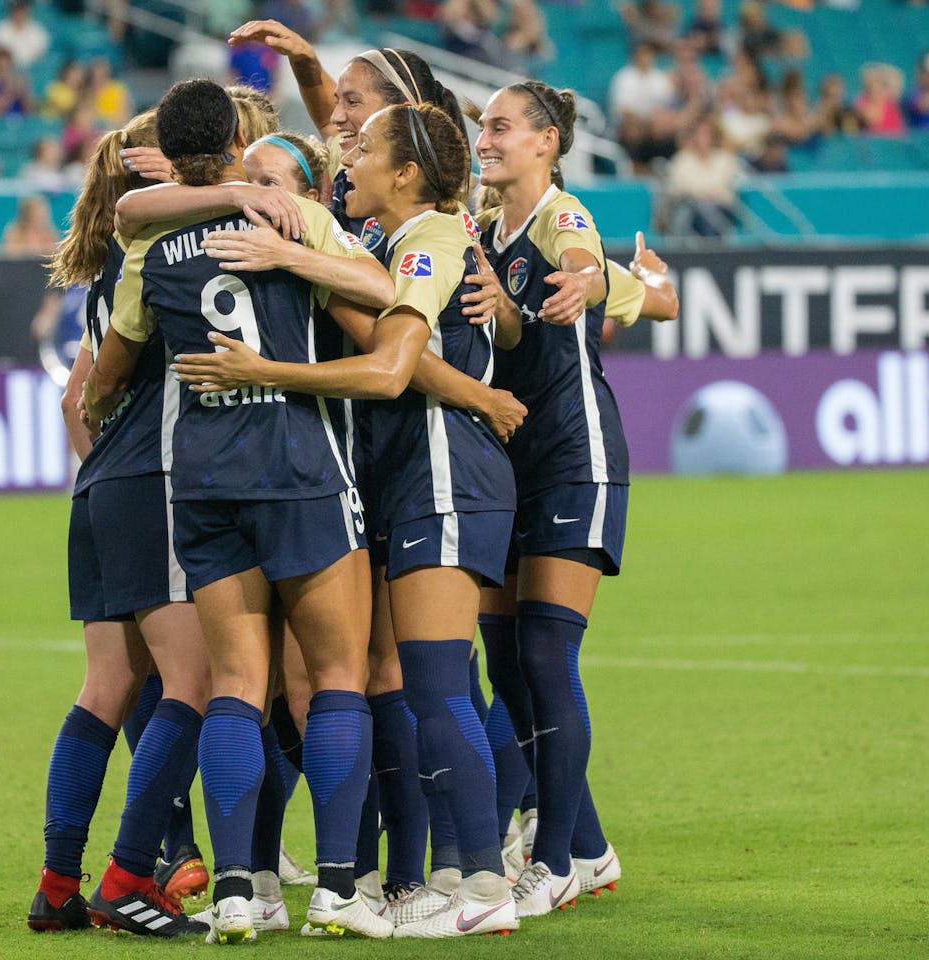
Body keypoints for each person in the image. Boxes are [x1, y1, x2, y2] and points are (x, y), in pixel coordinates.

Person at [174, 99, 526, 940]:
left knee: (438, 684)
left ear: (405, 174)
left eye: (363, 149)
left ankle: (483, 884)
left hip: (446, 471)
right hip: (406, 479)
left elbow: (390, 372)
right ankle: (442, 876)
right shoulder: (386, 242)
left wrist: (269, 370)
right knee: (411, 685)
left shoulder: (435, 238)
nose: (348, 157)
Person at [86, 77, 399, 945]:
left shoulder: (150, 241)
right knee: (337, 677)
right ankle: (337, 890)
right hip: (297, 465)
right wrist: (296, 248)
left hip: (202, 480)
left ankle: (233, 893)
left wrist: (97, 408)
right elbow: (378, 291)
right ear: (233, 135)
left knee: (234, 684)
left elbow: (113, 370)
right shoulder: (286, 216)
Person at [470, 78, 672, 920]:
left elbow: (585, 263)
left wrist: (590, 283)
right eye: (483, 126)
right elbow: (640, 300)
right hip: (507, 464)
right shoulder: (485, 226)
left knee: (547, 658)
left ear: (548, 142)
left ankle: (550, 860)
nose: (488, 138)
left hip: (572, 457)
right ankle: (586, 845)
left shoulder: (561, 215)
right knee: (508, 664)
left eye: (503, 126)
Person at [28, 107, 210, 939]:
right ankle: (132, 877)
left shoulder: (108, 272)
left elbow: (78, 398)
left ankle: (57, 883)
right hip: (158, 479)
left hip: (99, 486)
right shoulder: (170, 257)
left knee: (106, 689)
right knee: (197, 682)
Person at [0, 0, 50, 69]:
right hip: (7, 70)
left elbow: (41, 55)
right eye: (17, 10)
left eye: (22, 10)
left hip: (32, 70)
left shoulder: (38, 31)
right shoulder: (0, 29)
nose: (19, 14)